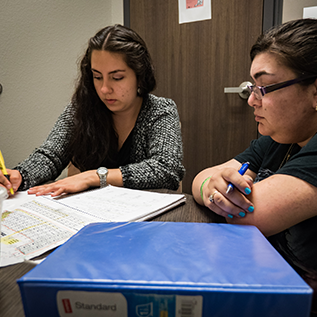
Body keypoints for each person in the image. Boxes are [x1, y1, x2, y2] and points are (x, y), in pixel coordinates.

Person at [192, 19, 317, 314]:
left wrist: (215, 192)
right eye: (252, 86)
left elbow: (250, 215)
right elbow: (200, 177)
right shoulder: (278, 139)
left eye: (265, 87)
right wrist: (210, 187)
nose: (251, 100)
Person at [0, 24, 185, 196]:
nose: (105, 89)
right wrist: (20, 175)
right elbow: (51, 154)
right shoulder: (81, 108)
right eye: (97, 77)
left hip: (145, 221)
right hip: (90, 217)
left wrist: (94, 176)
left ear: (140, 75)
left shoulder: (160, 110)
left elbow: (166, 170)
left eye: (117, 77)